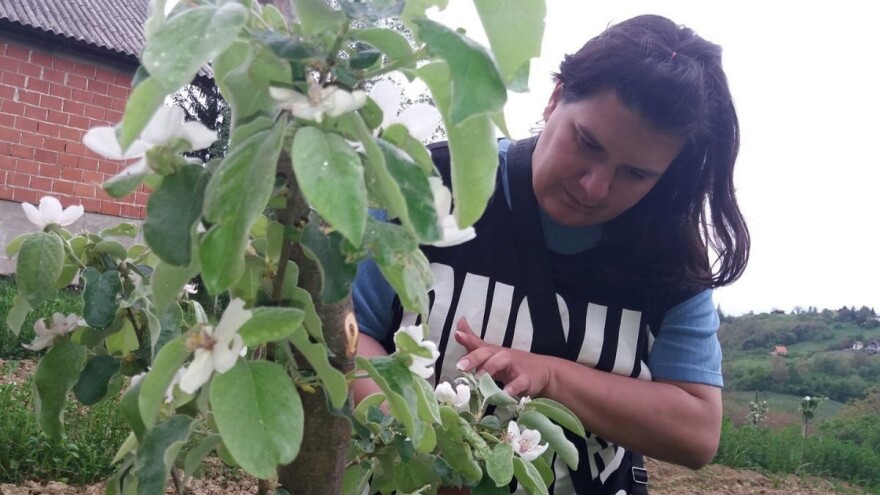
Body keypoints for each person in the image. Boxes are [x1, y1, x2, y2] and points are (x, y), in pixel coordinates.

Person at [352, 13, 750, 495]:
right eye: (587, 144)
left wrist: (550, 375)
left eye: (635, 175)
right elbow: (347, 335)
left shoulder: (669, 258)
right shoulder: (426, 184)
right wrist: (423, 448)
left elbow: (696, 431)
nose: (595, 186)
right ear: (555, 97)